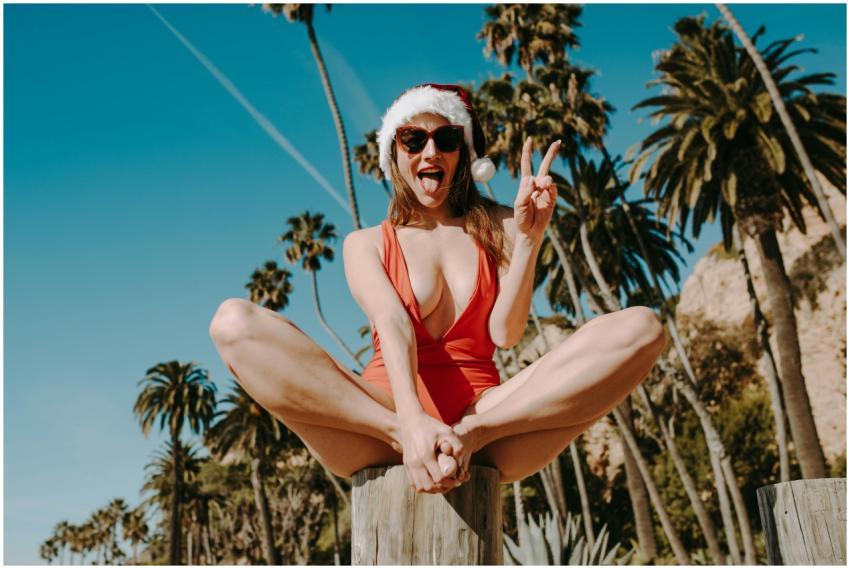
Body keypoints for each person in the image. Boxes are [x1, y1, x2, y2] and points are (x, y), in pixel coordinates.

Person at [209, 83, 666, 495]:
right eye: (413, 139)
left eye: (446, 139)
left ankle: (469, 436)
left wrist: (529, 240)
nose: (431, 151)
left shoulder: (505, 224)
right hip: (381, 422)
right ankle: (406, 434)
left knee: (642, 328)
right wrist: (409, 425)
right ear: (395, 154)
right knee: (233, 323)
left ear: (464, 153)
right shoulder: (365, 244)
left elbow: (506, 334)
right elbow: (392, 322)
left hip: (488, 420)